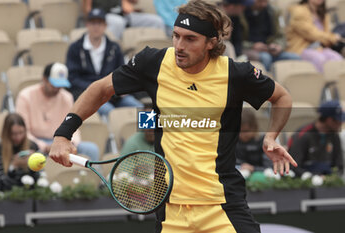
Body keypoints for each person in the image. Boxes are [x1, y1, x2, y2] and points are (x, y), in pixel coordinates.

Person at [50, 1, 297, 232]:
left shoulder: (236, 74)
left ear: (211, 42)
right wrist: (63, 134)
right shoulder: (153, 63)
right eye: (176, 36)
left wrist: (272, 137)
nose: (179, 46)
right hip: (171, 209)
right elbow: (100, 89)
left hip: (222, 205)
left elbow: (282, 97)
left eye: (190, 39)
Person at [66, 8, 143, 118]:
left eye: (99, 23)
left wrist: (120, 88)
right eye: (93, 23)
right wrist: (95, 88)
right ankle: (114, 135)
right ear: (87, 25)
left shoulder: (114, 47)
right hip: (89, 95)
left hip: (113, 94)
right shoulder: (75, 48)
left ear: (105, 26)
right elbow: (72, 77)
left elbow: (121, 72)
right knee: (110, 112)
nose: (96, 27)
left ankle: (148, 135)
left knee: (141, 108)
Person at [16, 63, 99, 161]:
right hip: (36, 142)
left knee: (91, 149)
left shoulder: (66, 97)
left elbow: (74, 125)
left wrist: (72, 142)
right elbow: (24, 132)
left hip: (62, 140)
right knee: (30, 152)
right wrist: (44, 146)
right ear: (44, 79)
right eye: (54, 84)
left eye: (60, 85)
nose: (57, 88)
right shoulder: (26, 96)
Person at [288, 100, 344, 177]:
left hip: (329, 184)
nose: (342, 123)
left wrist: (332, 178)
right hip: (305, 183)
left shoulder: (334, 136)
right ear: (329, 120)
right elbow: (293, 166)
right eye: (339, 120)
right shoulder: (303, 135)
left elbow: (339, 165)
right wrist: (310, 177)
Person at [242, 0, 300, 71]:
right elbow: (236, 41)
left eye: (266, 1)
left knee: (295, 57)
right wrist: (252, 46)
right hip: (250, 49)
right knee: (266, 58)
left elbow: (281, 35)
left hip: (270, 48)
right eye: (260, 2)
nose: (263, 5)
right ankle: (266, 81)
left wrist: (278, 46)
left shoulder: (274, 11)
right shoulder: (241, 12)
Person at [286, 0, 343, 72]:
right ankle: (323, 83)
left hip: (320, 48)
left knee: (337, 58)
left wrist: (331, 38)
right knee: (319, 59)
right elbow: (311, 34)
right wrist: (333, 37)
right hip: (302, 49)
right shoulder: (299, 11)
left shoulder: (323, 14)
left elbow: (326, 36)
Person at [0, 113, 39, 191]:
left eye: (21, 132)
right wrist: (14, 166)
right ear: (7, 133)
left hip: (30, 194)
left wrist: (33, 165)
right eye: (14, 134)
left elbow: (39, 180)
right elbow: (2, 185)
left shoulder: (33, 146)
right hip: (8, 196)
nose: (18, 137)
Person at [83, 0, 166, 40]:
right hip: (105, 16)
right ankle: (113, 53)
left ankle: (158, 56)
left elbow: (134, 2)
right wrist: (94, 20)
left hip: (125, 15)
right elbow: (87, 9)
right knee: (118, 22)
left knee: (157, 21)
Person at [236, 108, 272, 172]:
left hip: (260, 174)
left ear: (254, 127)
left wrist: (253, 168)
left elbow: (269, 167)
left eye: (245, 131)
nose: (241, 135)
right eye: (238, 131)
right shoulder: (235, 141)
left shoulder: (264, 140)